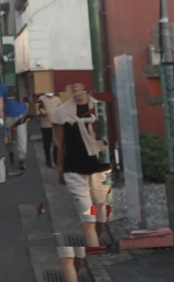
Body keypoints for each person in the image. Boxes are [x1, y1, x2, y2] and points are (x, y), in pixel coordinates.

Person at [53, 82, 112, 263]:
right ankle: (96, 260)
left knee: (101, 212)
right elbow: (60, 143)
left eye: (79, 84)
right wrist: (61, 169)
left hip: (99, 166)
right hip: (74, 168)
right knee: (87, 215)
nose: (75, 88)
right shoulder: (62, 112)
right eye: (72, 85)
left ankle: (97, 244)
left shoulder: (100, 108)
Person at [0, 77, 30, 170]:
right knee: (8, 137)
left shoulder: (23, 84)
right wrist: (1, 111)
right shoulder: (4, 85)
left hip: (21, 115)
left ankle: (22, 159)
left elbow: (27, 100)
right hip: (8, 115)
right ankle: (11, 152)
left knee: (22, 137)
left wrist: (28, 113)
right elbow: (0, 98)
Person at [36, 92, 61, 168]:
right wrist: (41, 110)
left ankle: (55, 160)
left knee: (56, 143)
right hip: (45, 124)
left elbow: (61, 109)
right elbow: (39, 107)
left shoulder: (58, 100)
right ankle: (48, 160)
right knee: (47, 143)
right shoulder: (42, 99)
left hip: (56, 124)